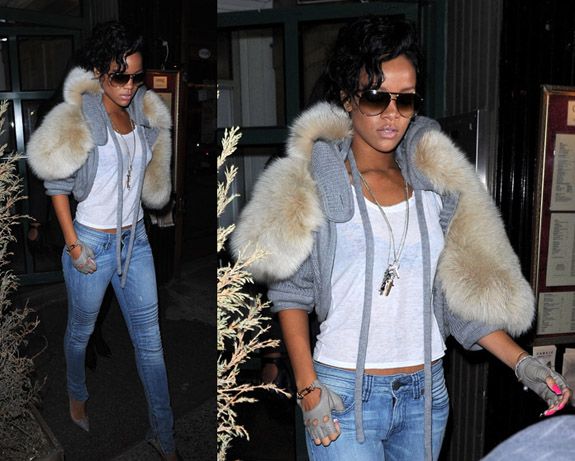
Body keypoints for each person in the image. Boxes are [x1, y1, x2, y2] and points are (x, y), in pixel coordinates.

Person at [231, 15, 572, 461]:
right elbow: (291, 292)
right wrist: (307, 386)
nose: (392, 114)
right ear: (347, 97)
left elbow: (456, 299)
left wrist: (523, 363)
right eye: (376, 97)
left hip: (425, 396)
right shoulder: (317, 180)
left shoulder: (435, 185)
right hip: (344, 394)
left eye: (405, 99)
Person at [26, 22, 178, 460]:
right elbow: (56, 186)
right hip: (91, 242)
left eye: (136, 76)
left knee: (151, 344)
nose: (129, 85)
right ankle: (76, 391)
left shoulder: (142, 112)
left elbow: (144, 175)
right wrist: (74, 246)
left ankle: (164, 436)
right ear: (98, 71)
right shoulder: (79, 115)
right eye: (119, 76)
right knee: (81, 332)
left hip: (137, 243)